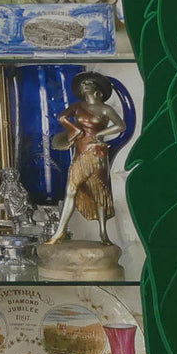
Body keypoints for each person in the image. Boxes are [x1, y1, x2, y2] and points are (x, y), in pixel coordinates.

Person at [46, 72, 125, 245]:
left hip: (97, 153)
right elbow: (61, 117)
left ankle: (103, 233)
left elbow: (121, 125)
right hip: (80, 153)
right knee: (71, 189)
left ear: (97, 89)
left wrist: (101, 134)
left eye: (88, 83)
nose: (84, 85)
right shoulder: (77, 106)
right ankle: (60, 231)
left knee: (99, 191)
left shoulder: (105, 109)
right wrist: (74, 130)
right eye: (83, 84)